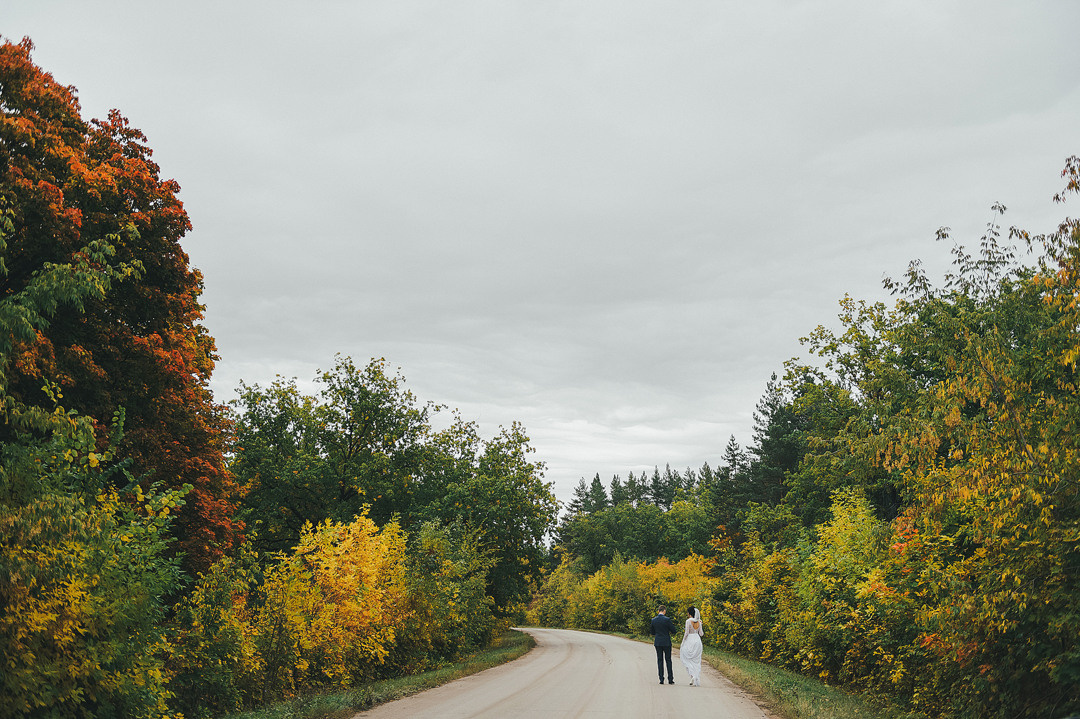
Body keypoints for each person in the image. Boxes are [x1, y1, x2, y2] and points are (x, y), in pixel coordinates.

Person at [650, 605, 676, 685]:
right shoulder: (667, 620)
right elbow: (674, 630)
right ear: (664, 611)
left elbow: (652, 632)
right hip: (666, 641)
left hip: (658, 642)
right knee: (668, 660)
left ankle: (661, 679)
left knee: (660, 660)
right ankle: (670, 679)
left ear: (658, 611)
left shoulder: (653, 620)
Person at [680, 606, 704, 686]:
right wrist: (701, 625)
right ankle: (695, 676)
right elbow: (701, 634)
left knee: (687, 659)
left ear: (689, 613)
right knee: (696, 661)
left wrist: (683, 641)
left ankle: (692, 675)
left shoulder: (688, 621)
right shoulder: (699, 622)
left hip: (690, 640)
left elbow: (686, 633)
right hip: (697, 640)